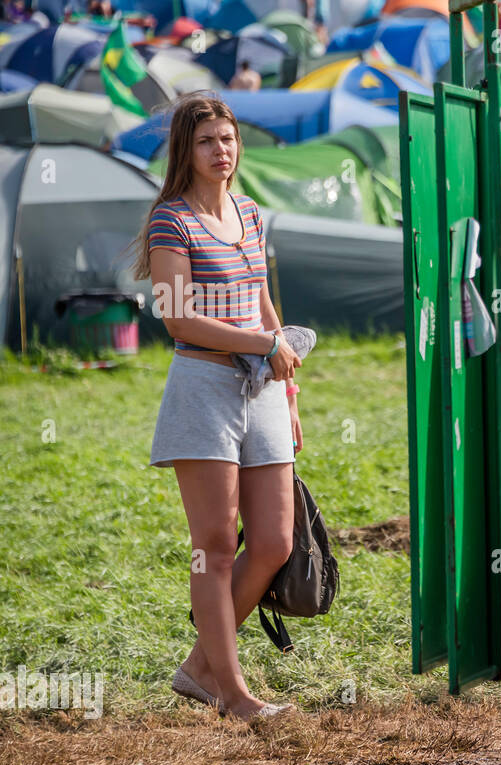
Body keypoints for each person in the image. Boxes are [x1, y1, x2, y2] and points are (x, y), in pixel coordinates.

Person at [132, 94, 302, 723]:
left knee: (275, 540)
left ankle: (203, 666)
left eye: (229, 139)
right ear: (187, 149)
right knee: (212, 544)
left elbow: (261, 302)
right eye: (208, 141)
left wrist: (288, 393)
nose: (222, 151)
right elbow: (178, 316)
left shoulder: (250, 212)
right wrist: (264, 344)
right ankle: (233, 692)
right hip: (203, 390)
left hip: (262, 391)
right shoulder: (169, 221)